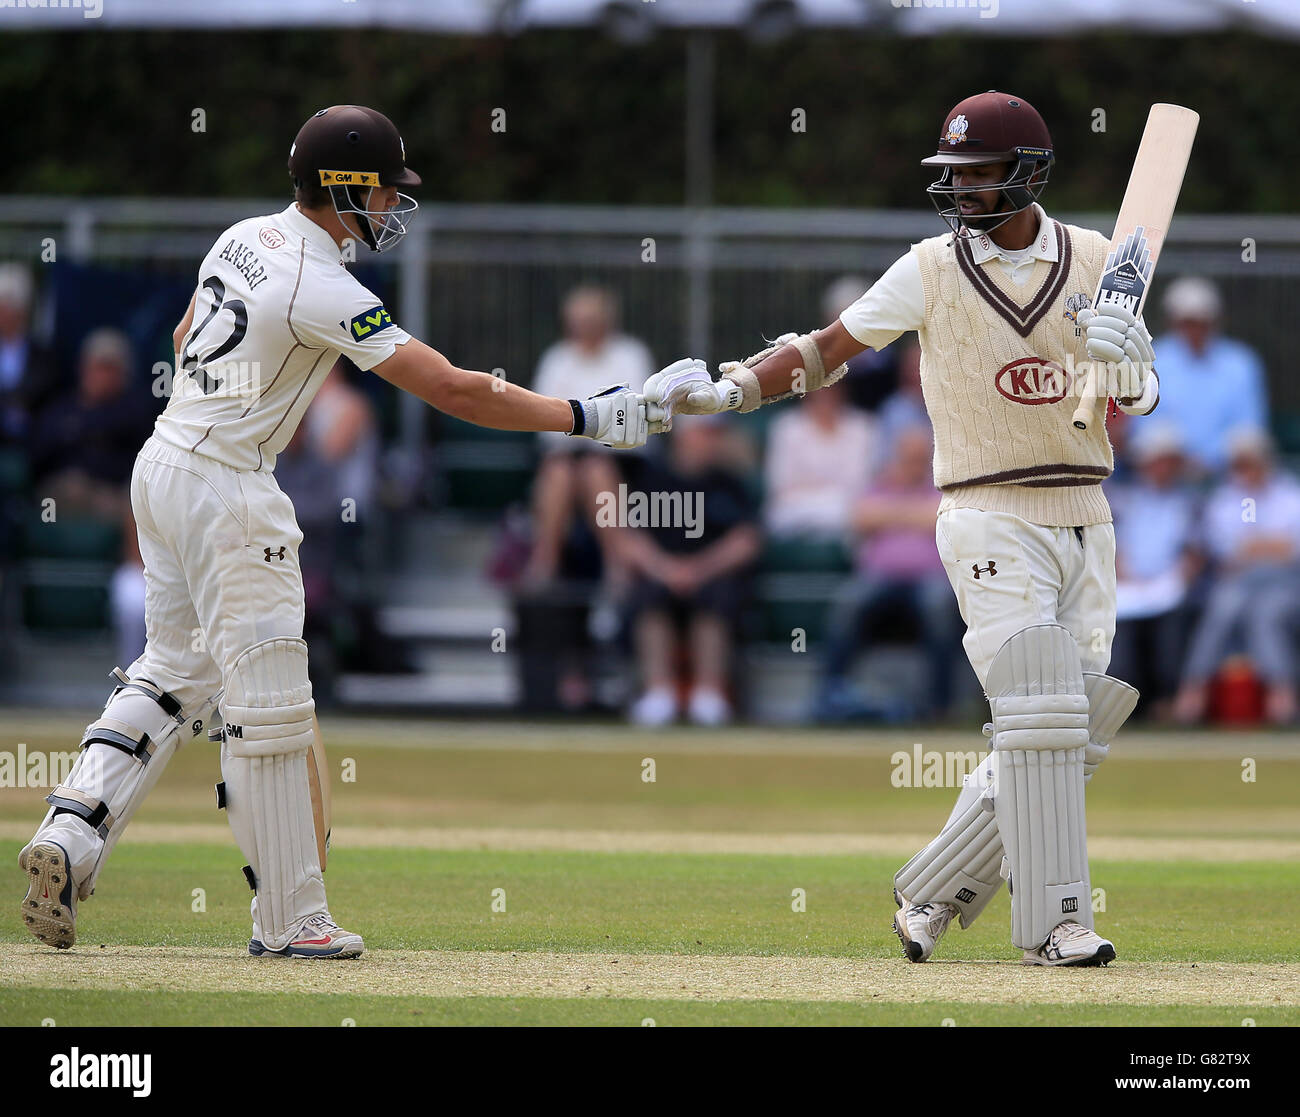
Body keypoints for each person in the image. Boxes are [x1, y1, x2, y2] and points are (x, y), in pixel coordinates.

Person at [19, 105, 652, 960]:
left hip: (163, 461)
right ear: (348, 187)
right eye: (388, 186)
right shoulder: (323, 283)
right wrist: (584, 414)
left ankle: (71, 831)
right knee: (270, 703)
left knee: (173, 669)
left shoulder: (241, 236)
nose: (395, 204)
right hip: (228, 489)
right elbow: (457, 389)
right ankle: (290, 920)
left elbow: (181, 336)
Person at [647, 91, 1161, 967]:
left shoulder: (1100, 259)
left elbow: (1136, 401)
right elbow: (826, 348)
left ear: (1028, 172)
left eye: (979, 172)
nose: (962, 189)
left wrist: (1135, 364)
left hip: (1087, 510)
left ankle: (930, 887)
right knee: (1037, 712)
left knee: (1072, 735)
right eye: (952, 174)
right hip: (986, 508)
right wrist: (732, 390)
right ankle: (1055, 924)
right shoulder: (928, 267)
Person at [620, 415, 761, 727]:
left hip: (713, 577)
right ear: (683, 437)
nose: (712, 442)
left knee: (718, 597)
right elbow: (629, 538)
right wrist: (665, 569)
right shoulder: (652, 478)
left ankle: (709, 694)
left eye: (716, 435)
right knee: (647, 596)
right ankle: (659, 693)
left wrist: (700, 570)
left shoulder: (730, 482)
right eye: (705, 434)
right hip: (661, 575)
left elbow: (747, 541)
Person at [814, 424, 959, 723]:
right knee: (848, 602)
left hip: (930, 581)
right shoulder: (878, 484)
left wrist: (891, 514)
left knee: (940, 607)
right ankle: (828, 697)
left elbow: (944, 519)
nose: (914, 466)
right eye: (908, 459)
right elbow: (861, 517)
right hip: (879, 578)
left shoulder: (943, 486)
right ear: (896, 457)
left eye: (921, 459)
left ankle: (940, 707)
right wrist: (913, 514)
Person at [1172, 428, 1300, 726]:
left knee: (1266, 614)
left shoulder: (1290, 492)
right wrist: (1269, 545)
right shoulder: (1225, 497)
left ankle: (1282, 696)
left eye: (1250, 462)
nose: (1246, 470)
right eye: (1240, 464)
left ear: (1264, 461)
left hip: (1286, 582)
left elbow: (1291, 550)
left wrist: (1255, 546)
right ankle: (1192, 692)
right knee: (1223, 609)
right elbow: (1227, 552)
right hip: (1239, 582)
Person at [1107, 425, 1202, 720]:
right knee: (1118, 642)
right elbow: (1112, 545)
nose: (1161, 468)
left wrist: (1175, 582)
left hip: (1169, 586)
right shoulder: (1124, 500)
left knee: (1170, 640)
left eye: (1168, 462)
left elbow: (1194, 552)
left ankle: (1165, 701)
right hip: (1128, 586)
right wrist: (1124, 573)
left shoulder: (1188, 503)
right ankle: (1121, 706)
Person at [1128, 277, 1267, 475]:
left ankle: (1236, 501)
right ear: (1173, 322)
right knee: (1157, 439)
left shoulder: (1241, 361)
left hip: (1227, 462)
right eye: (1188, 322)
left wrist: (1209, 456)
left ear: (1214, 321)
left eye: (1202, 322)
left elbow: (1249, 423)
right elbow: (1144, 422)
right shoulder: (1153, 356)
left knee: (1248, 443)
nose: (1195, 330)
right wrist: (1179, 453)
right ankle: (1158, 503)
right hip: (1169, 459)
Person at [763, 380, 876, 540]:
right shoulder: (786, 426)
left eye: (832, 386)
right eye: (819, 387)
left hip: (848, 509)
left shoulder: (862, 426)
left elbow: (860, 482)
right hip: (793, 511)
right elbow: (781, 483)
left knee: (857, 515)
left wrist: (816, 488)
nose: (825, 393)